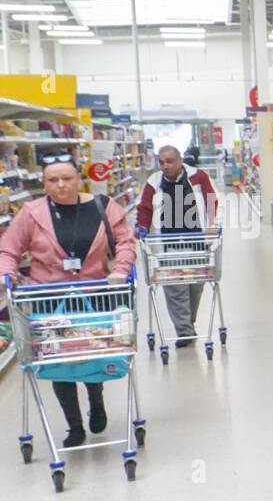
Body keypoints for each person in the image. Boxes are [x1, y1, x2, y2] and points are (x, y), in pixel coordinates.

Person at [0, 152, 136, 447]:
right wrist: (7, 274)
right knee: (58, 360)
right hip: (48, 298)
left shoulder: (104, 207)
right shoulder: (31, 213)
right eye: (52, 180)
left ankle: (96, 401)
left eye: (67, 178)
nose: (60, 185)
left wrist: (121, 270)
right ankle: (74, 426)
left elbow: (126, 242)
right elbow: (8, 249)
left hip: (95, 295)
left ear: (79, 179)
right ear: (44, 182)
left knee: (92, 353)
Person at [136, 144, 219, 348]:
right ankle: (183, 331)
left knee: (194, 287)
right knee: (175, 289)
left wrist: (212, 225)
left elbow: (211, 201)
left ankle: (187, 324)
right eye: (161, 162)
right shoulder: (153, 182)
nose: (165, 166)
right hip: (167, 245)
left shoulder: (198, 177)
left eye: (170, 161)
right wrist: (141, 227)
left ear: (180, 160)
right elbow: (145, 208)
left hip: (197, 242)